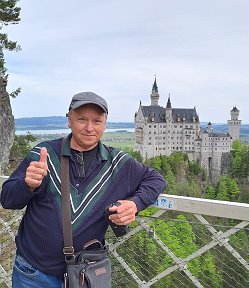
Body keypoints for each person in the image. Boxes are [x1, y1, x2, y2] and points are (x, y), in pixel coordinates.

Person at [0, 91, 167, 288]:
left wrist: (135, 204)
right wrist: (26, 185)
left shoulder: (118, 164)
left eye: (97, 121)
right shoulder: (44, 154)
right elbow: (7, 199)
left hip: (84, 276)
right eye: (81, 119)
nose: (89, 128)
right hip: (33, 273)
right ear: (69, 120)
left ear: (105, 123)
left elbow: (156, 180)